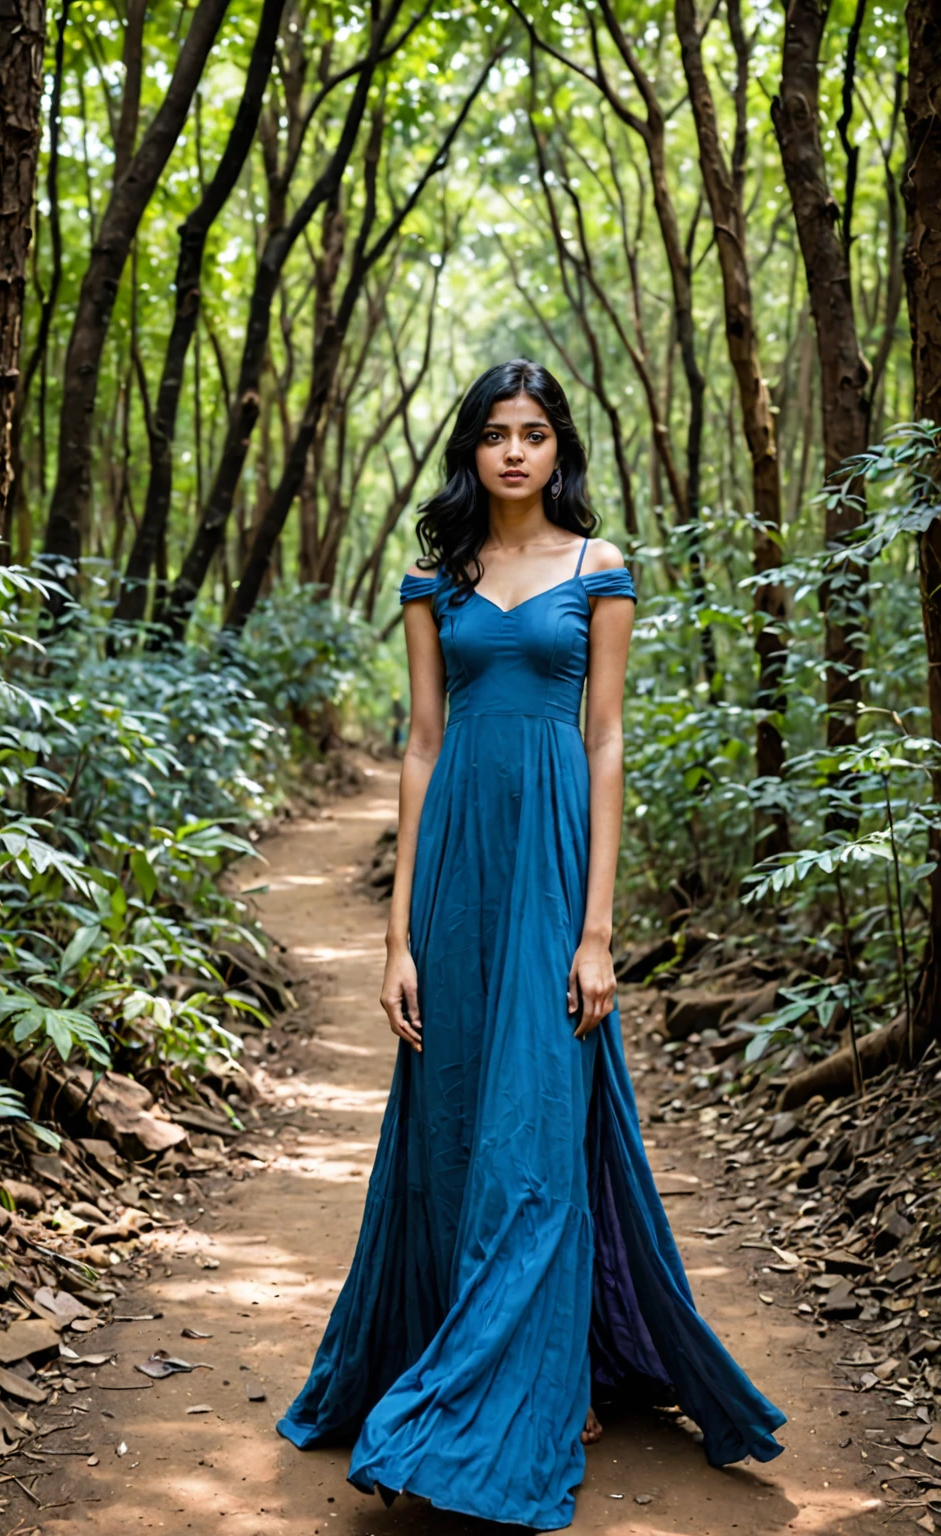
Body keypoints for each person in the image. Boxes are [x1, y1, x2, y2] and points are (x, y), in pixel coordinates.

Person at [276, 359, 786, 1531]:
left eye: (536, 433)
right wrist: (397, 936)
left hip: (553, 866)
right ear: (472, 448)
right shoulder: (434, 579)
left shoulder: (597, 570)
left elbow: (604, 742)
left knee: (539, 1119)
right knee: (453, 1112)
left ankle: (541, 1372)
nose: (515, 451)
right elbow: (417, 745)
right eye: (497, 434)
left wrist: (598, 926)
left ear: (560, 450)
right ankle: (476, 1355)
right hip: (458, 863)